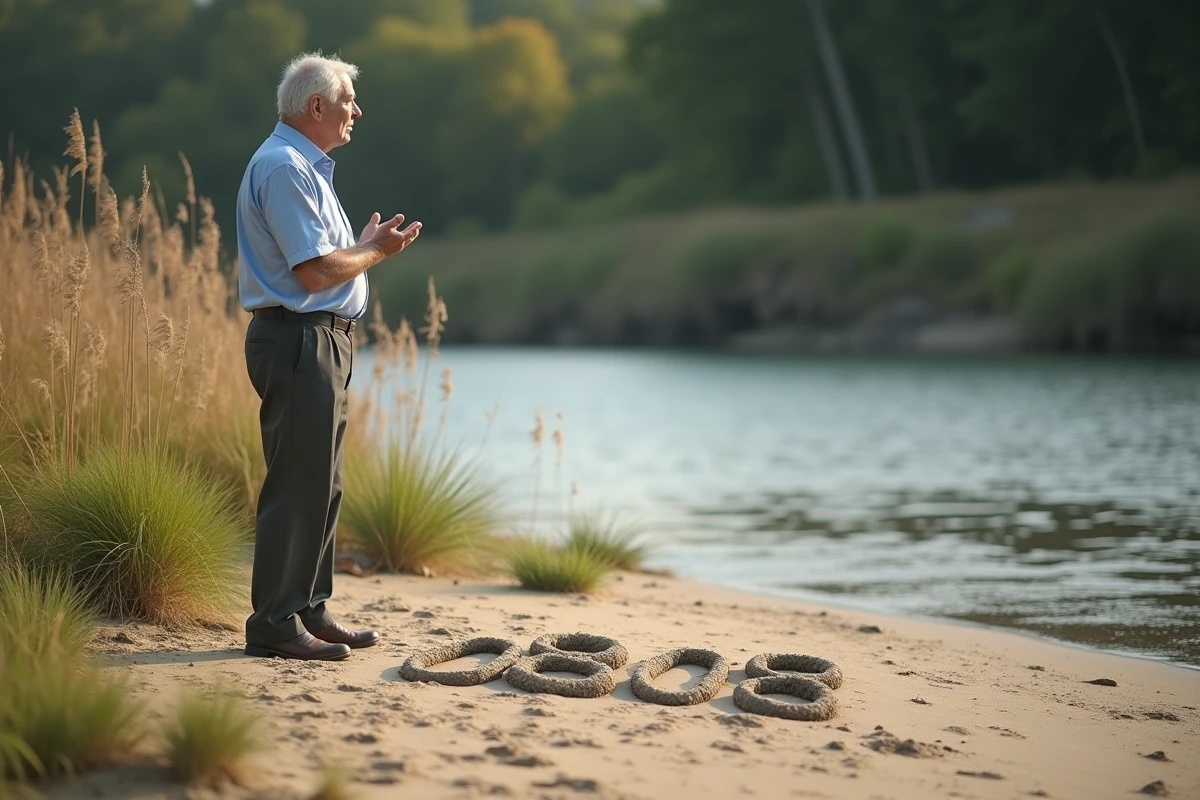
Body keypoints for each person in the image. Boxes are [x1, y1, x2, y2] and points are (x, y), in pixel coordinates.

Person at [236, 52, 421, 661]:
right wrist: (376, 251)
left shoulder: (303, 168)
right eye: (347, 101)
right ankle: (274, 622)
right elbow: (315, 272)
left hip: (316, 339)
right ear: (316, 107)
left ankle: (308, 611)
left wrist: (362, 246)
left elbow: (321, 264)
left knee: (323, 481)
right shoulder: (285, 168)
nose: (356, 111)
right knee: (297, 482)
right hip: (298, 338)